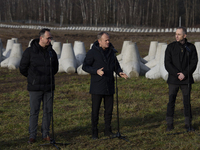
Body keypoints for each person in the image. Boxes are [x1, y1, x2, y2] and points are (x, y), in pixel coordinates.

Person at [82, 32, 128, 139]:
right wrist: (95, 71)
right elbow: (85, 66)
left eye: (108, 40)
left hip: (109, 85)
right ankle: (94, 132)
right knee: (95, 111)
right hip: (97, 86)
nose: (108, 42)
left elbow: (116, 65)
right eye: (106, 40)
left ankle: (108, 130)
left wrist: (119, 72)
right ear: (99, 41)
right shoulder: (92, 52)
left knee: (109, 111)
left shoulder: (112, 52)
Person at [19, 28, 59, 144]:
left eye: (50, 38)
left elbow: (55, 68)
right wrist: (33, 78)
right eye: (48, 38)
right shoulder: (30, 51)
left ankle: (45, 134)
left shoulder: (52, 52)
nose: (50, 40)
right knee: (34, 112)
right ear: (41, 38)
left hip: (48, 87)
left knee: (48, 111)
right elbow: (22, 68)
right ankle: (32, 135)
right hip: (35, 88)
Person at [164, 27, 198, 132]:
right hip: (173, 80)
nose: (176, 36)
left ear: (185, 35)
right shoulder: (170, 47)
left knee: (187, 102)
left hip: (186, 80)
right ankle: (169, 124)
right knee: (171, 101)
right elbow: (167, 63)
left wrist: (185, 73)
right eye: (176, 34)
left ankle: (188, 124)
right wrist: (176, 74)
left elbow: (194, 63)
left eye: (179, 34)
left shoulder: (191, 48)